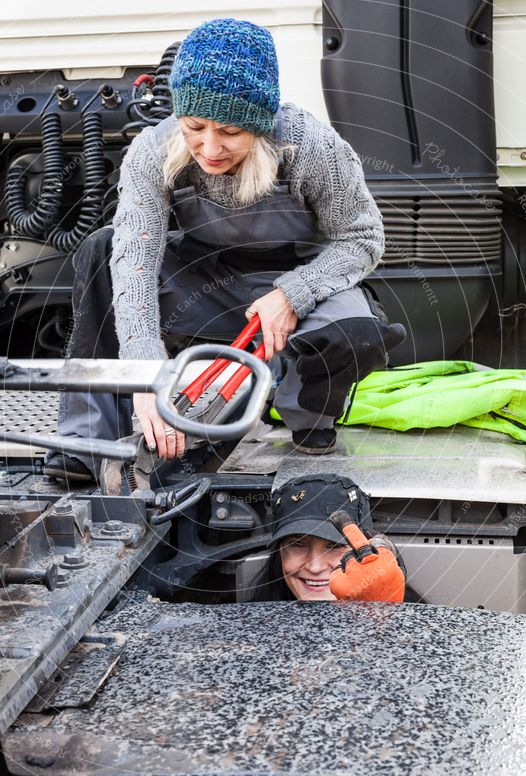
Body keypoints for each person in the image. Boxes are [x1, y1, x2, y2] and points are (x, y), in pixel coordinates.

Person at [44, 17, 406, 482]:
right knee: (102, 249)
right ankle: (86, 440)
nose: (209, 148)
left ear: (259, 125)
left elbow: (362, 239)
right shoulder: (152, 151)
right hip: (202, 281)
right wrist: (145, 371)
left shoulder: (313, 147)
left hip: (299, 278)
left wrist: (291, 295)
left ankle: (305, 415)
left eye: (230, 132)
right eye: (195, 126)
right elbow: (135, 262)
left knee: (357, 331)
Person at [247, 473, 407, 602]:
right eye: (297, 544)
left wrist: (382, 614)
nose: (315, 567)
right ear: (279, 552)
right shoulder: (249, 625)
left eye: (334, 545)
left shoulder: (414, 624)